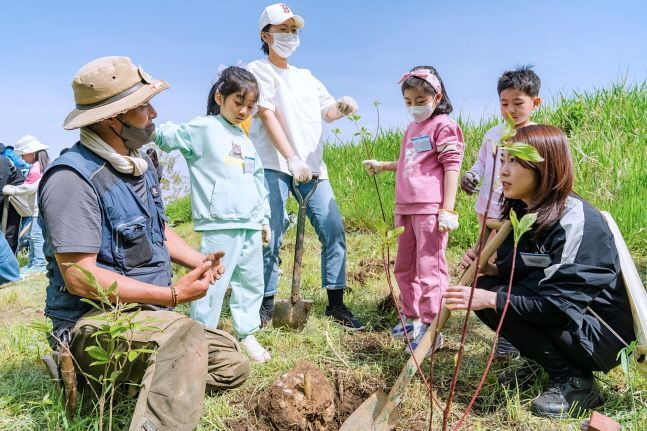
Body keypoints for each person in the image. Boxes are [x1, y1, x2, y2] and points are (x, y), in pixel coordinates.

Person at [39, 56, 250, 431]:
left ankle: (132, 380)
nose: (153, 112)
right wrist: (172, 296)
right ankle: (94, 376)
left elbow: (158, 230)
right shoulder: (72, 178)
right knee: (181, 340)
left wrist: (197, 261)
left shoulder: (138, 164)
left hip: (146, 316)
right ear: (109, 119)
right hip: (93, 324)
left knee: (231, 361)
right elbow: (79, 277)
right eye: (141, 107)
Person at [445, 125, 635, 418]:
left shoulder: (576, 222)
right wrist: (491, 267)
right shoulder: (522, 213)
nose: (503, 172)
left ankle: (575, 381)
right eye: (503, 160)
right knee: (487, 284)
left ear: (544, 166)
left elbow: (561, 307)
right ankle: (543, 363)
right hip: (563, 315)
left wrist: (490, 299)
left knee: (490, 297)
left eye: (514, 162)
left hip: (599, 333)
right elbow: (525, 269)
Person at [248, 3, 364, 330]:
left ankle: (337, 305)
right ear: (265, 35)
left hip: (314, 169)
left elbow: (328, 111)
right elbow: (267, 114)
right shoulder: (260, 70)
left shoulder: (307, 77)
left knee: (334, 231)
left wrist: (342, 107)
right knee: (270, 233)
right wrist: (291, 158)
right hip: (274, 164)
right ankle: (266, 305)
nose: (288, 35)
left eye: (293, 30)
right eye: (282, 29)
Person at [155, 66, 272, 363]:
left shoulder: (246, 141)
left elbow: (258, 181)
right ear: (220, 97)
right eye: (238, 102)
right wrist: (143, 125)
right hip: (219, 221)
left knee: (251, 281)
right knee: (213, 281)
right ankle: (201, 335)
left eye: (249, 106)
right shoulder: (204, 128)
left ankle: (246, 333)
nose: (244, 110)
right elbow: (170, 136)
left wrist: (264, 219)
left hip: (249, 222)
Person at [362, 66, 464, 352]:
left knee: (430, 267)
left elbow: (452, 166)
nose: (415, 107)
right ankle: (411, 317)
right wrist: (383, 166)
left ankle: (433, 329)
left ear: (437, 96)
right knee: (404, 266)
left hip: (430, 208)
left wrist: (449, 209)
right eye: (409, 102)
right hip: (404, 206)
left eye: (421, 101)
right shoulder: (412, 128)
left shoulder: (444, 125)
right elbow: (409, 161)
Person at [459, 66, 542, 358]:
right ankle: (478, 310)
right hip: (488, 210)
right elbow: (481, 164)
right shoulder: (493, 134)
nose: (511, 110)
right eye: (504, 104)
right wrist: (471, 175)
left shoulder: (534, 139)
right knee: (482, 261)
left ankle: (509, 335)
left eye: (518, 104)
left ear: (535, 103)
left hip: (515, 217)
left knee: (508, 267)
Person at [2, 135, 50, 277]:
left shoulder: (36, 168)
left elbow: (30, 187)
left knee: (36, 236)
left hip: (38, 209)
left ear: (31, 152)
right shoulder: (44, 164)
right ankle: (32, 263)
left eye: (23, 155)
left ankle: (38, 265)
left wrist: (13, 190)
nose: (22, 159)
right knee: (34, 236)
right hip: (41, 207)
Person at [0, 147, 25, 253]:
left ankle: (10, 264)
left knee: (10, 233)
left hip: (14, 198)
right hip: (3, 194)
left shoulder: (2, 161)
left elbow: (1, 185)